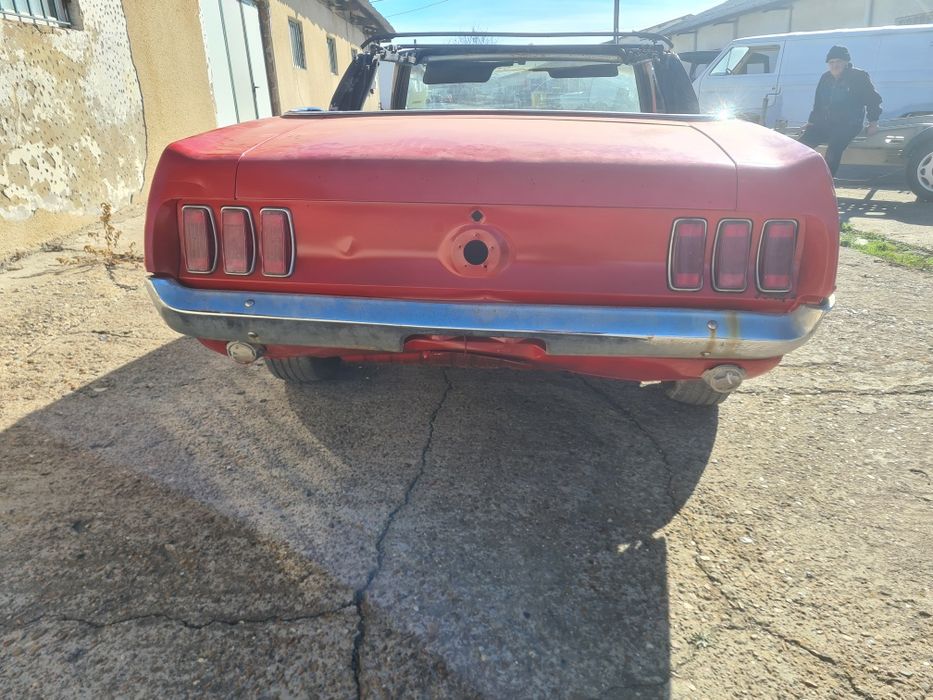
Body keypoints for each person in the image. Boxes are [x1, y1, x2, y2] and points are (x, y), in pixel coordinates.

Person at [799, 45, 882, 177]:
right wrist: (812, 121)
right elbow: (818, 103)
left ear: (846, 62)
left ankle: (825, 184)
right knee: (800, 147)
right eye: (831, 62)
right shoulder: (825, 78)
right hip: (825, 123)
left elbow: (873, 100)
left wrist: (873, 122)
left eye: (838, 61)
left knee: (833, 151)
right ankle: (795, 178)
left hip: (848, 124)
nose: (835, 65)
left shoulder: (859, 77)